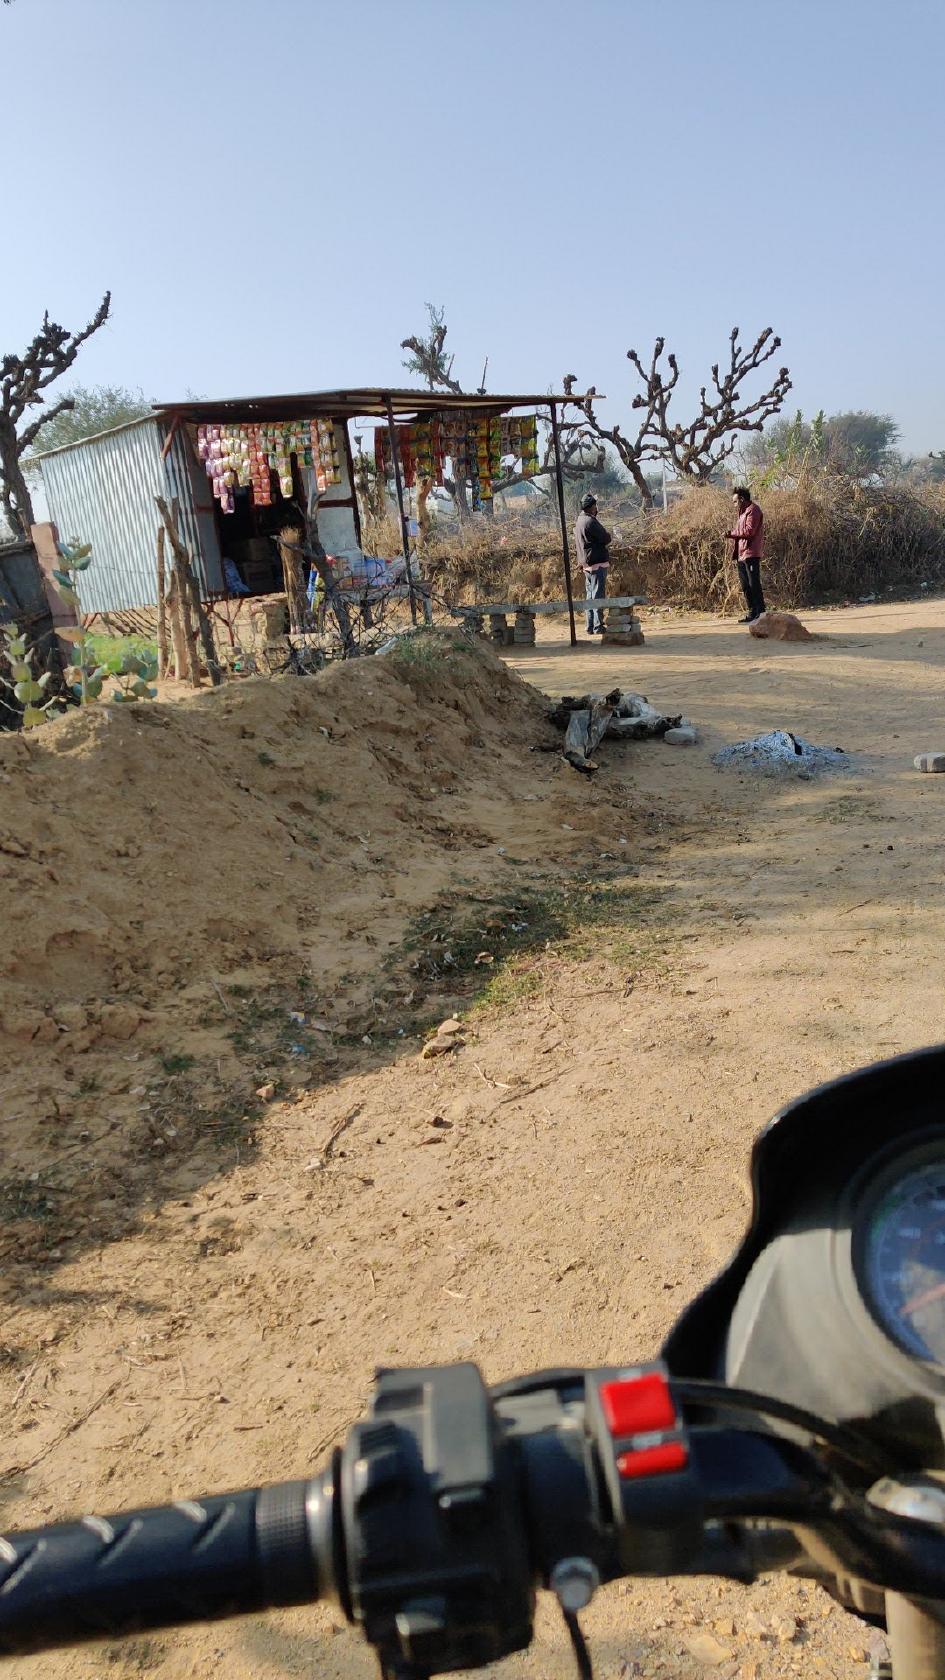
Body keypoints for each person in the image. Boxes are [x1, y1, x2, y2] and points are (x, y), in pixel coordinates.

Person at [574, 492, 612, 635]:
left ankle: (590, 626)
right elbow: (605, 538)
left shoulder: (580, 521)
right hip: (597, 563)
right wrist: (610, 535)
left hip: (586, 564)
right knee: (598, 596)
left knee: (590, 596)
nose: (597, 508)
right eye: (595, 505)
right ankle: (598, 626)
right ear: (591, 507)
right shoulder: (591, 521)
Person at [728, 487, 767, 623]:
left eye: (735, 501)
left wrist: (731, 534)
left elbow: (749, 531)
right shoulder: (742, 512)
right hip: (741, 553)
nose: (734, 504)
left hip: (751, 553)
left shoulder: (753, 510)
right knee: (745, 585)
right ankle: (752, 612)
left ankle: (761, 613)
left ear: (742, 499)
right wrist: (731, 533)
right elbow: (740, 530)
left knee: (754, 584)